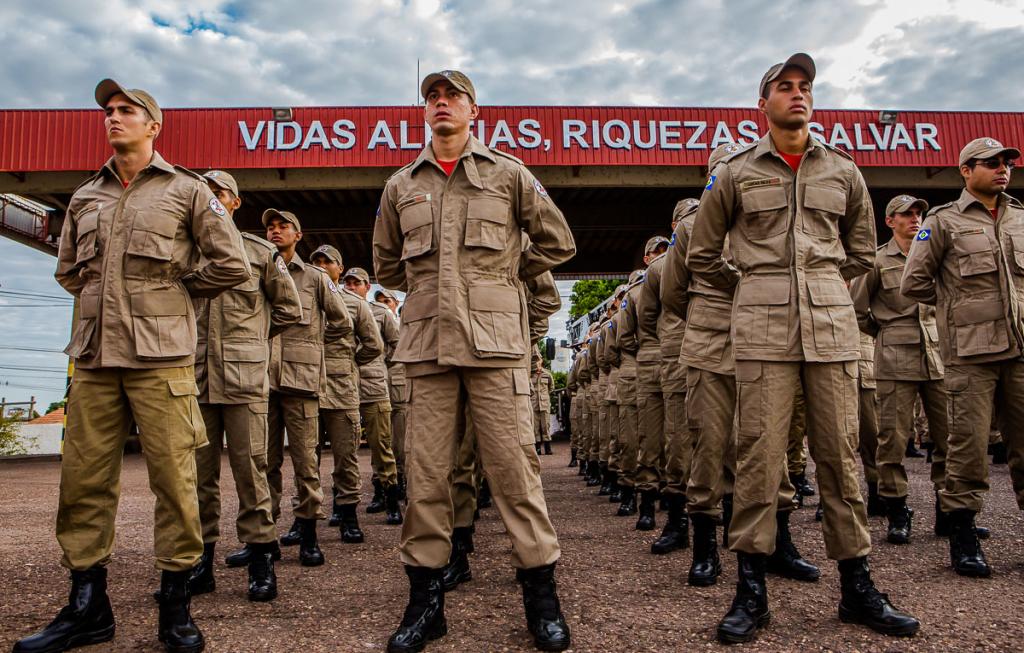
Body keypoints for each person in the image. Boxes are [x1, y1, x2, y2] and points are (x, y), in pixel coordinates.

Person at [687, 53, 919, 643]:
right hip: (762, 331)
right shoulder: (736, 173)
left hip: (832, 328)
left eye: (804, 87)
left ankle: (857, 587)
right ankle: (751, 590)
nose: (797, 94)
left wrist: (821, 286)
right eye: (784, 87)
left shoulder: (844, 172)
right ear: (761, 104)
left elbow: (863, 252)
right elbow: (702, 254)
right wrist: (751, 289)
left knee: (840, 457)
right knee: (760, 458)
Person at [16, 79, 250, 653]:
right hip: (95, 359)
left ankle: (175, 605)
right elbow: (70, 272)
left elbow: (231, 265)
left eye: (127, 111)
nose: (113, 118)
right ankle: (87, 607)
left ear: (154, 125)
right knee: (82, 483)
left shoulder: (188, 192)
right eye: (108, 111)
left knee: (176, 482)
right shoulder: (85, 197)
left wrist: (171, 294)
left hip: (161, 359)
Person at [373, 69, 575, 652]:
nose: (441, 103)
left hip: (495, 346)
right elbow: (387, 263)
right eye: (432, 97)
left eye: (452, 96)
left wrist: (503, 272)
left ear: (473, 108)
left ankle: (542, 599)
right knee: (428, 477)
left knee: (514, 475)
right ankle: (424, 605)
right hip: (428, 345)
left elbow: (558, 242)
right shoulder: (400, 185)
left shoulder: (508, 174)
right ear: (424, 111)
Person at [901, 137, 1024, 577]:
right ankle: (964, 537)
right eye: (989, 163)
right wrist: (956, 305)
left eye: (1006, 162)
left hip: (1021, 351)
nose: (1002, 168)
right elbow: (913, 283)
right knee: (967, 450)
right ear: (966, 171)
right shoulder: (943, 221)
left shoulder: (1020, 219)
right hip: (970, 354)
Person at [191, 170, 302, 602]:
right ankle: (200, 561)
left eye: (219, 194)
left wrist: (254, 339)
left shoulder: (258, 253)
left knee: (251, 472)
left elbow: (289, 309)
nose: (211, 200)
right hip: (195, 378)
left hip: (243, 378)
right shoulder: (187, 251)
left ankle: (260, 558)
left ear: (234, 203)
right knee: (196, 478)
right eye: (205, 194)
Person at [851, 194, 948, 544]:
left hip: (938, 356)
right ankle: (897, 510)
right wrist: (886, 334)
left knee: (948, 437)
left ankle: (948, 511)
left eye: (918, 213)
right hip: (895, 359)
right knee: (891, 438)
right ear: (890, 221)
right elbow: (858, 310)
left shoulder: (935, 256)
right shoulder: (877, 261)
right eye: (905, 214)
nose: (914, 219)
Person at [263, 209, 350, 567]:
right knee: (262, 463)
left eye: (283, 226)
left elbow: (341, 322)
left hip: (301, 381)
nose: (275, 231)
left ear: (298, 235)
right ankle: (263, 539)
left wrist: (312, 347)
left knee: (305, 462)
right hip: (261, 379)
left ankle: (309, 533)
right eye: (270, 227)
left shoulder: (315, 278)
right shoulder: (255, 270)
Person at [310, 245, 384, 542]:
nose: (321, 266)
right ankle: (304, 519)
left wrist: (351, 363)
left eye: (328, 262)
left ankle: (348, 515)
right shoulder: (301, 298)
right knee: (306, 460)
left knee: (345, 457)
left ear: (339, 269)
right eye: (316, 262)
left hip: (341, 389)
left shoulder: (354, 304)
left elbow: (374, 345)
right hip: (305, 388)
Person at [344, 266, 403, 524]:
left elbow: (398, 343)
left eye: (357, 283)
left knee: (381, 445)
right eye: (348, 282)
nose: (351, 286)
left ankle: (388, 497)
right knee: (345, 448)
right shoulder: (335, 307)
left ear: (368, 287)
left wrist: (381, 364)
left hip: (374, 386)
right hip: (343, 385)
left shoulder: (379, 312)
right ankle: (343, 503)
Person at [377, 288, 409, 496]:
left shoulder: (401, 325)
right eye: (379, 301)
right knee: (380, 436)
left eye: (387, 301)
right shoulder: (372, 322)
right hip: (378, 381)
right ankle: (382, 484)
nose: (383, 304)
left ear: (395, 303)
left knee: (400, 436)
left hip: (398, 382)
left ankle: (402, 479)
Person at [532, 359, 555, 455]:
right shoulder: (530, 374)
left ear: (541, 362)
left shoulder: (547, 374)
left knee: (546, 425)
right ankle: (537, 448)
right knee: (535, 426)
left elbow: (551, 387)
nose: (537, 363)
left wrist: (544, 396)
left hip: (544, 404)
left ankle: (547, 447)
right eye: (535, 361)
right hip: (533, 403)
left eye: (538, 361)